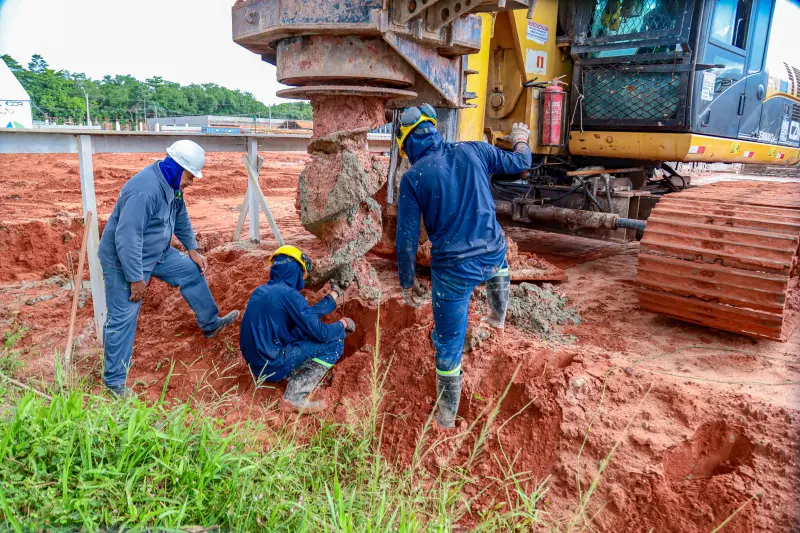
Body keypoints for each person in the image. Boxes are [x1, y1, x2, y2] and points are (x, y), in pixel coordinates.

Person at [394, 104, 532, 429]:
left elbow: (406, 242)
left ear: (407, 144)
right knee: (499, 263)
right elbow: (522, 162)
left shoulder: (413, 177)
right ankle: (497, 319)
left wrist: (406, 282)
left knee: (447, 345)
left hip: (454, 273)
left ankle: (445, 418)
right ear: (434, 130)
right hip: (493, 253)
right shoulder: (476, 150)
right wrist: (521, 137)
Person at [98, 140, 240, 397]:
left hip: (157, 252)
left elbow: (181, 216)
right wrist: (135, 277)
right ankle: (114, 382)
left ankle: (210, 324)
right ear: (176, 167)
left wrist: (192, 249)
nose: (191, 183)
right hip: (124, 259)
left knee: (190, 271)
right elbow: (127, 237)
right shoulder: (145, 190)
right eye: (190, 176)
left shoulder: (172, 185)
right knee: (123, 317)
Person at [239, 245, 357, 412]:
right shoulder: (290, 295)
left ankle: (289, 373)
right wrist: (342, 325)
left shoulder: (262, 291)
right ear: (294, 270)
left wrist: (335, 293)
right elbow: (322, 334)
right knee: (335, 342)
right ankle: (294, 396)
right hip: (272, 366)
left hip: (256, 366)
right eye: (301, 273)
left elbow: (307, 315)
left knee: (302, 330)